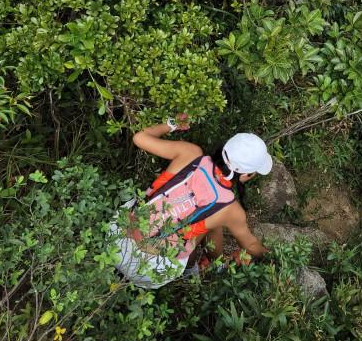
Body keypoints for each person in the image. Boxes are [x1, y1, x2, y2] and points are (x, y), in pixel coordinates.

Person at [108, 116, 272, 288]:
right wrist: (271, 255)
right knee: (211, 220)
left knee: (210, 217)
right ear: (246, 175)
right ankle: (201, 268)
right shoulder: (232, 209)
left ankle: (203, 266)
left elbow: (139, 138)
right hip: (148, 271)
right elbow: (251, 245)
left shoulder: (190, 153)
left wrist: (173, 123)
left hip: (116, 240)